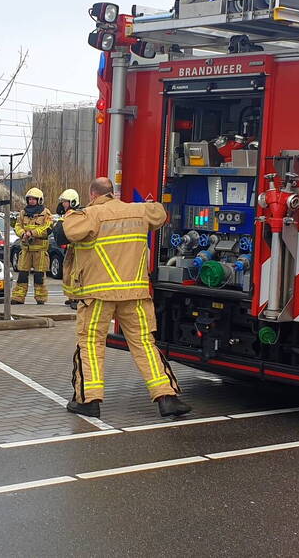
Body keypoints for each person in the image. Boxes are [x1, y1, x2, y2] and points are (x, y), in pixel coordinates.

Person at [53, 177, 191, 419]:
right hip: (134, 294)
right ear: (113, 193)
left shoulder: (89, 215)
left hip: (98, 294)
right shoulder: (138, 212)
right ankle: (167, 397)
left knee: (91, 344)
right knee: (144, 344)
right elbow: (160, 213)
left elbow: (64, 233)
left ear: (93, 195)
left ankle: (89, 400)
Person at [12, 187, 52, 305]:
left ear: (39, 200)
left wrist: (32, 233)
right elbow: (17, 226)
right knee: (22, 274)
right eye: (29, 199)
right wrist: (23, 234)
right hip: (26, 249)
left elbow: (48, 228)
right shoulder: (23, 213)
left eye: (34, 199)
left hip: (40, 250)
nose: (31, 201)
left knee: (39, 276)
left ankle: (40, 298)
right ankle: (18, 297)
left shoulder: (46, 213)